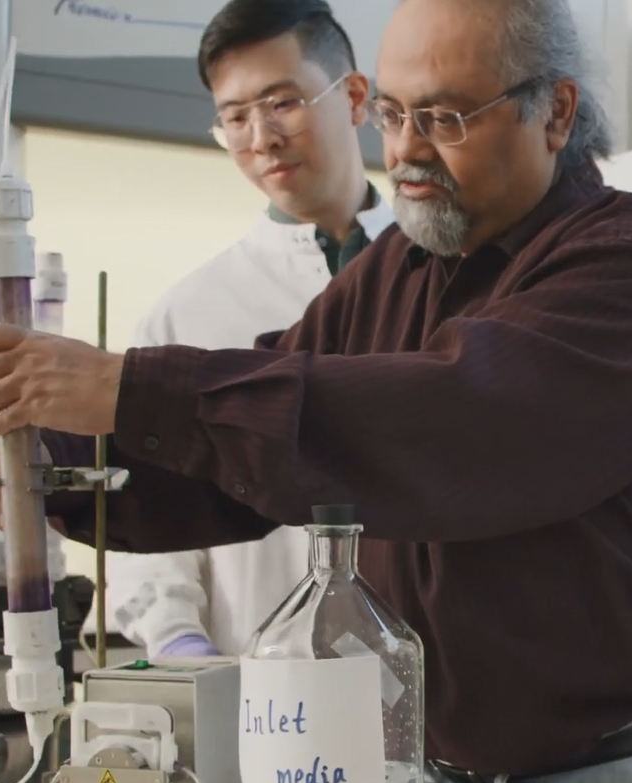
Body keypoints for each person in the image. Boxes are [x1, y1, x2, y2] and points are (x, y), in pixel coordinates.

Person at [0, 0, 632, 783]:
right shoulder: (395, 269)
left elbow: (449, 426)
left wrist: (131, 387)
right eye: (393, 115)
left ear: (554, 110)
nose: (405, 149)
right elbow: (251, 462)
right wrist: (59, 473)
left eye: (444, 117)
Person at [103, 0, 396, 661]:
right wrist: (184, 648)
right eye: (235, 117)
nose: (260, 136)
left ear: (353, 97)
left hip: (438, 694)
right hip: (265, 695)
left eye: (282, 103)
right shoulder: (186, 315)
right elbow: (150, 531)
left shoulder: (446, 274)